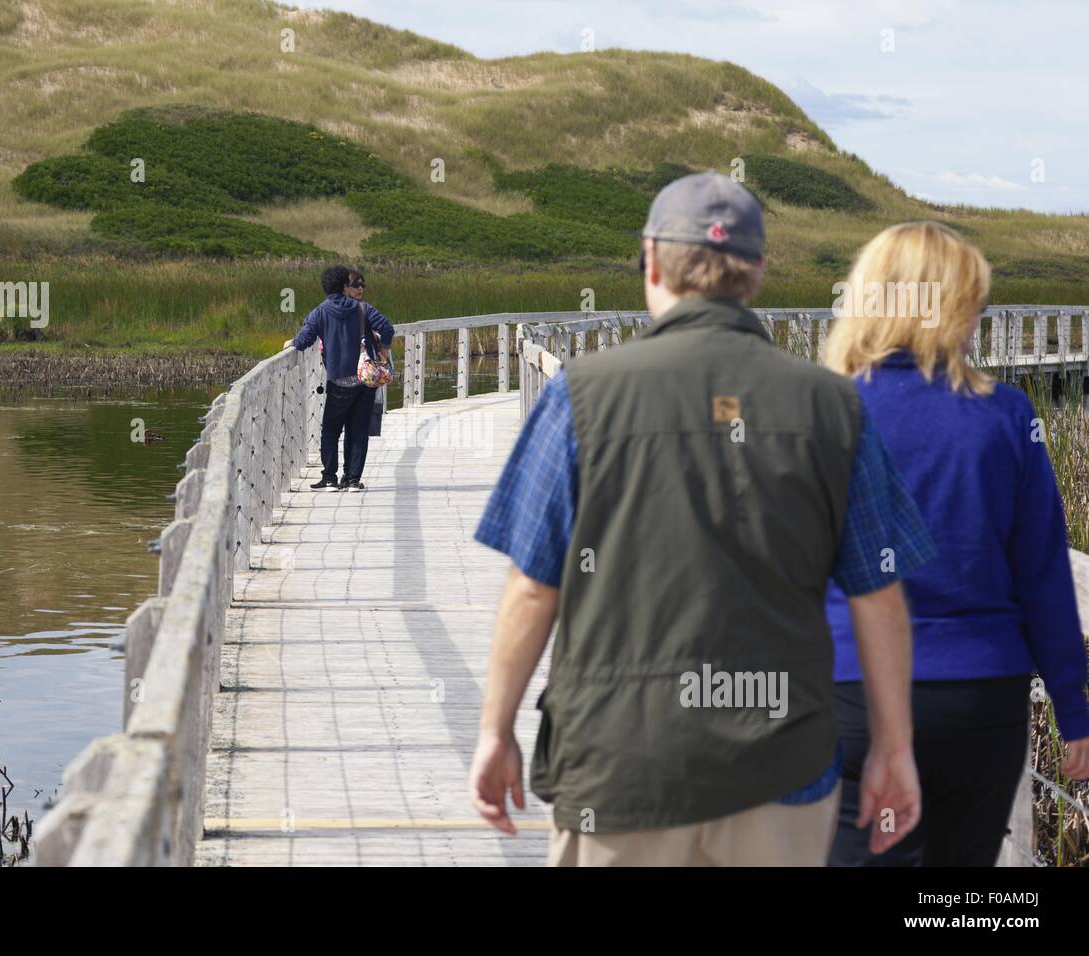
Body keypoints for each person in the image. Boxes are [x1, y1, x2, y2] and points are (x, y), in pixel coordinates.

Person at [469, 171, 934, 866]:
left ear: (652, 260)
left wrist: (494, 730)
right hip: (782, 770)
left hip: (620, 769)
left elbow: (534, 588)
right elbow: (877, 592)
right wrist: (894, 748)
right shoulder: (833, 407)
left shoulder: (581, 396)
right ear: (758, 272)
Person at [822, 221, 1089, 866]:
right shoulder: (1007, 416)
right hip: (980, 696)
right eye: (973, 303)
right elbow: (1044, 577)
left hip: (846, 692)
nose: (978, 320)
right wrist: (1073, 711)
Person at [285, 265, 393, 492]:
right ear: (345, 285)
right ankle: (352, 480)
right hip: (365, 380)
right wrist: (383, 351)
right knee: (358, 430)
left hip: (339, 381)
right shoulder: (362, 308)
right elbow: (388, 328)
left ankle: (329, 479)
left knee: (331, 430)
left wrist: (291, 344)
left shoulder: (320, 312)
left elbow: (304, 339)